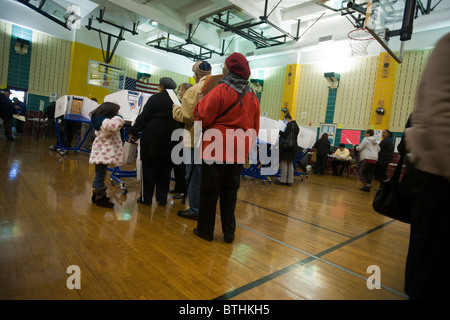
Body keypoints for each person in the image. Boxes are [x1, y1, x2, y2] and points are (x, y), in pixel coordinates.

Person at [193, 52, 260, 243]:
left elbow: (202, 115)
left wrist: (199, 102)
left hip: (216, 147)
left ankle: (205, 231)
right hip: (239, 150)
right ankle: (229, 232)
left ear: (229, 68)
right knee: (230, 192)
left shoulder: (222, 89)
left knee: (210, 191)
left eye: (224, 65)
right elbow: (255, 126)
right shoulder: (252, 94)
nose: (222, 67)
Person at [403, 33, 450, 299]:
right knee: (431, 261)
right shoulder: (447, 46)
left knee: (426, 253)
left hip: (434, 171)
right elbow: (442, 118)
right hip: (435, 174)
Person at [128, 77, 180, 206]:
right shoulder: (177, 101)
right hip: (172, 138)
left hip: (153, 138)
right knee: (166, 169)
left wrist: (134, 131)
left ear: (161, 87)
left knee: (149, 168)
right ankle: (162, 198)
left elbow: (144, 117)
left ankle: (146, 198)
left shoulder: (154, 99)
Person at [172, 61, 212, 220]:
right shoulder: (217, 88)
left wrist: (175, 109)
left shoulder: (194, 90)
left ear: (195, 75)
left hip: (194, 138)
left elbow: (187, 116)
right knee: (205, 176)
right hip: (212, 138)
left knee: (194, 176)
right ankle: (204, 207)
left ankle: (195, 209)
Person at [89, 102, 125, 208]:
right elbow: (113, 126)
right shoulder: (103, 120)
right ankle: (100, 198)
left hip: (102, 153)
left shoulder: (102, 120)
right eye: (116, 112)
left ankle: (96, 196)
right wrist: (119, 117)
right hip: (101, 152)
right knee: (100, 175)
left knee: (100, 174)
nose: (117, 113)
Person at [170, 83, 192, 200]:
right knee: (177, 164)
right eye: (179, 89)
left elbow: (184, 118)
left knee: (183, 165)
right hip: (178, 136)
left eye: (181, 89)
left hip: (185, 136)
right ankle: (178, 187)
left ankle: (184, 190)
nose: (179, 92)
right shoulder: (180, 102)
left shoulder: (187, 104)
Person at [275, 112, 299, 186]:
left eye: (285, 120)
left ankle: (283, 180)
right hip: (294, 147)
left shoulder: (289, 125)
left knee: (284, 162)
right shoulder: (297, 126)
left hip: (287, 146)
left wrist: (278, 131)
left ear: (287, 119)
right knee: (290, 163)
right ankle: (290, 181)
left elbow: (285, 134)